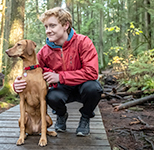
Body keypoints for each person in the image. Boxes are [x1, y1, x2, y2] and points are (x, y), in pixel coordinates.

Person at [13, 7, 103, 136]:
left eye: (52, 26)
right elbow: (32, 73)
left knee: (94, 88)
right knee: (51, 96)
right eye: (46, 27)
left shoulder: (84, 42)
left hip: (83, 85)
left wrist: (60, 76)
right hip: (61, 89)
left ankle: (85, 118)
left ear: (65, 25)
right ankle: (61, 115)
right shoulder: (44, 52)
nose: (48, 31)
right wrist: (17, 84)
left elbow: (92, 73)